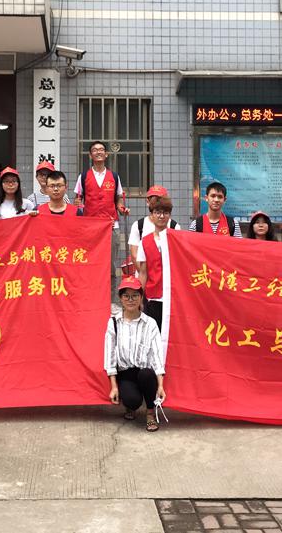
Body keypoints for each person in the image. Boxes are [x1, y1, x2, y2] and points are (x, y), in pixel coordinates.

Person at [104, 276, 166, 432]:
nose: (130, 300)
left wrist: (160, 386)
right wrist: (113, 387)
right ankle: (131, 405)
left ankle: (150, 413)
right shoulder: (114, 323)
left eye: (135, 296)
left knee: (147, 375)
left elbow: (157, 355)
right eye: (126, 296)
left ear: (141, 297)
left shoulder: (150, 323)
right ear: (120, 298)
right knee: (132, 400)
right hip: (125, 373)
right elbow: (110, 354)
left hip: (145, 372)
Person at [73, 141, 130, 278]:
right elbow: (78, 199)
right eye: (95, 150)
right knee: (90, 259)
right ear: (90, 155)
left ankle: (110, 290)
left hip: (111, 225)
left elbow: (118, 199)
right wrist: (78, 205)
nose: (98, 152)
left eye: (101, 149)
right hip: (90, 226)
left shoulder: (114, 176)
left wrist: (122, 209)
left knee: (110, 263)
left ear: (106, 154)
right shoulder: (83, 176)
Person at [135, 195, 174, 331]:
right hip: (153, 297)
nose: (161, 216)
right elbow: (143, 273)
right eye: (157, 212)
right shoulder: (145, 241)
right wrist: (139, 298)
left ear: (169, 215)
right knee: (152, 334)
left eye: (165, 212)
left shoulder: (176, 239)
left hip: (172, 298)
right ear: (152, 215)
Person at [128, 185, 181, 263]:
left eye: (159, 199)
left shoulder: (174, 226)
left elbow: (178, 254)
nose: (156, 203)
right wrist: (146, 270)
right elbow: (134, 255)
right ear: (147, 202)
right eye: (153, 200)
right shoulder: (138, 225)